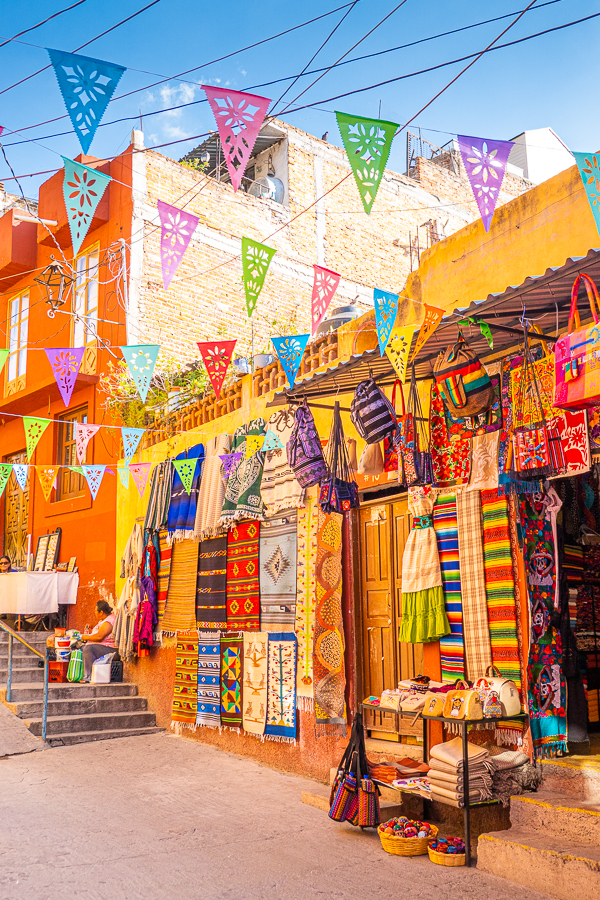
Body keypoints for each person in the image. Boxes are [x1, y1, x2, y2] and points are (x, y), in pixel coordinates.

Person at [80, 600, 117, 682]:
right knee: (81, 648)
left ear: (101, 612)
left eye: (96, 611)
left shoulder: (109, 622)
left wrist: (83, 637)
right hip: (103, 647)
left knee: (88, 649)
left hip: (111, 650)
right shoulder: (104, 619)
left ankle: (89, 676)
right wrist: (92, 628)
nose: (95, 613)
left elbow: (100, 636)